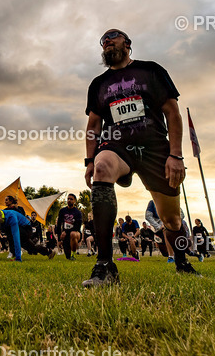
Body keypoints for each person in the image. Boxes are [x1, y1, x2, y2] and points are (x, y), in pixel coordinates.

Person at [83, 29, 196, 286]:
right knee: (102, 169)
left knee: (171, 219)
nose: (107, 41)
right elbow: (93, 126)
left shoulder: (152, 71)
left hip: (155, 147)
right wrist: (90, 161)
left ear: (128, 43)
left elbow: (173, 113)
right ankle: (105, 265)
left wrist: (175, 155)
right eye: (103, 41)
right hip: (117, 144)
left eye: (112, 36)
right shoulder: (98, 85)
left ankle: (182, 262)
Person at [56, 194, 84, 260]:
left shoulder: (78, 213)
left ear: (74, 201)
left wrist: (66, 232)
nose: (69, 200)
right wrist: (59, 239)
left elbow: (77, 227)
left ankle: (73, 254)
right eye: (68, 199)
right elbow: (59, 224)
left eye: (71, 199)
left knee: (73, 234)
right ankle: (69, 254)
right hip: (65, 235)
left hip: (75, 234)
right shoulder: (62, 211)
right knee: (67, 257)